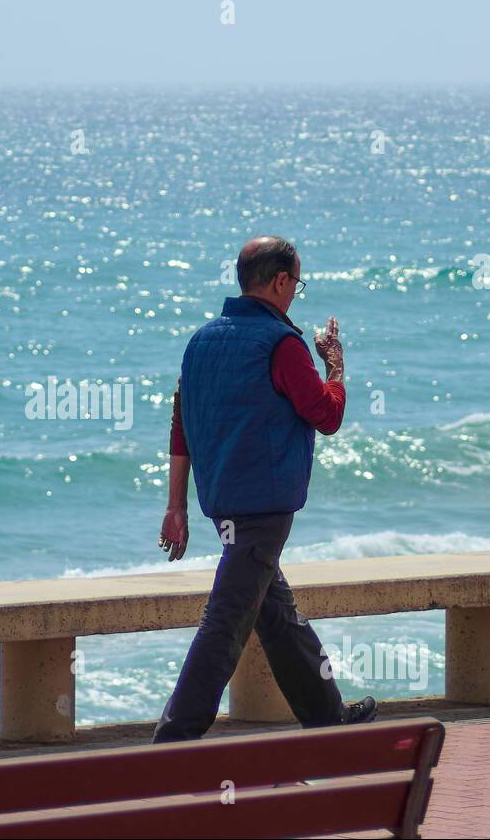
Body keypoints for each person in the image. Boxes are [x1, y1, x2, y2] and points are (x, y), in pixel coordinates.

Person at [152, 235, 376, 742]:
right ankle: (172, 742)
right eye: (296, 282)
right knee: (225, 622)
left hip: (221, 503)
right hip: (266, 506)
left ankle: (326, 716)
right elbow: (326, 414)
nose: (296, 292)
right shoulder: (282, 344)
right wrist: (335, 366)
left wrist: (176, 507)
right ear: (279, 281)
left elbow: (180, 424)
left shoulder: (201, 341)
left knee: (276, 614)